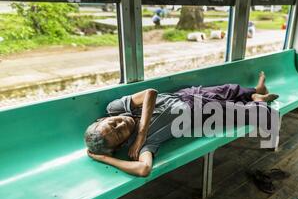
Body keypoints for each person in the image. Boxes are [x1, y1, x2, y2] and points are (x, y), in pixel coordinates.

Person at [85, 72, 279, 177]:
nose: (120, 124)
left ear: (102, 119)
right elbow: (144, 169)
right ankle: (258, 100)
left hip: (184, 94)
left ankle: (255, 91)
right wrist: (104, 158)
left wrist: (142, 132)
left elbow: (150, 93)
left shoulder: (116, 108)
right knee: (246, 112)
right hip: (200, 113)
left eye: (112, 124)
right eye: (118, 133)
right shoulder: (140, 146)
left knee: (227, 89)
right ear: (121, 144)